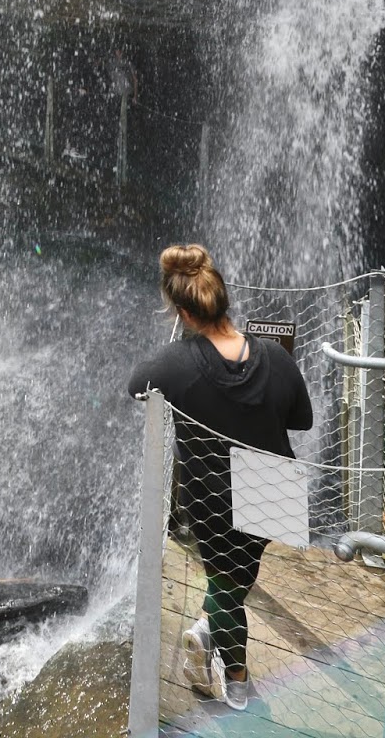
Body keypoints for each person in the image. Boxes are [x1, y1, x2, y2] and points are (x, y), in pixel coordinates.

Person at [127, 244, 313, 712]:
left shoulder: (176, 364)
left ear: (185, 313)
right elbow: (303, 420)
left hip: (213, 496)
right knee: (237, 581)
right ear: (223, 298)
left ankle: (237, 680)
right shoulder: (276, 356)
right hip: (274, 491)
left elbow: (135, 385)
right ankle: (213, 637)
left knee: (229, 588)